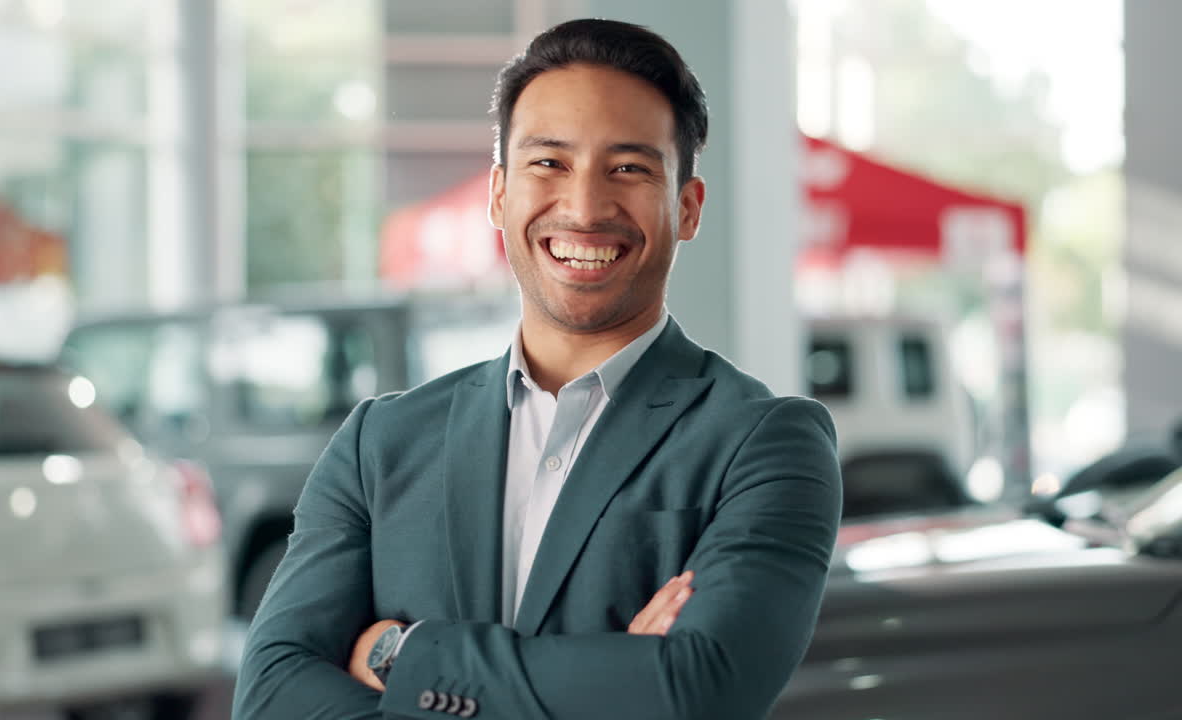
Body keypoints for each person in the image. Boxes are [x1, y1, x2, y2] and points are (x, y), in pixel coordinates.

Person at [233, 18, 842, 720]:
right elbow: (271, 695)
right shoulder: (381, 442)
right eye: (549, 163)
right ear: (499, 194)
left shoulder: (764, 442)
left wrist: (402, 653)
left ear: (687, 206)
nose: (584, 207)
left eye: (630, 168)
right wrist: (613, 677)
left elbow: (693, 688)